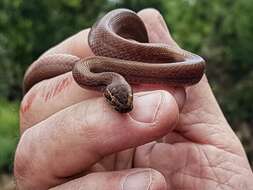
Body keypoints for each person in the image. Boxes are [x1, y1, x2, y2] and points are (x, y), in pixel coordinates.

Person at [14, 8, 253, 190]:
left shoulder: (97, 71)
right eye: (117, 102)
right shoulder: (93, 71)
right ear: (107, 93)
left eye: (126, 100)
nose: (125, 108)